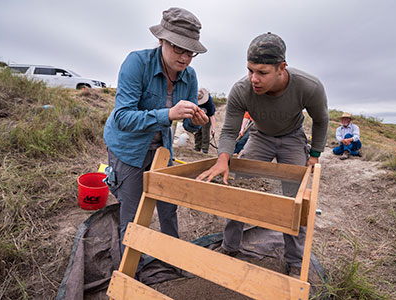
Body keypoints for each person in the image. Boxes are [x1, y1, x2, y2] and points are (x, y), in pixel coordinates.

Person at [197, 32, 329, 276]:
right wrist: (223, 159)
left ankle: (295, 260)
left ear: (281, 68)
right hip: (260, 137)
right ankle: (230, 246)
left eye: (262, 72)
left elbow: (321, 120)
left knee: (294, 202)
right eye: (250, 70)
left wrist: (315, 154)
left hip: (292, 138)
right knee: (240, 192)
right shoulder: (241, 90)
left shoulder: (308, 86)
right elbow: (228, 129)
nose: (254, 79)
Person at [103, 7, 209, 259]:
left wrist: (197, 122)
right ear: (162, 40)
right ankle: (128, 271)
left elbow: (187, 124)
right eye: (178, 48)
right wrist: (167, 114)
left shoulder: (190, 76)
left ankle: (172, 258)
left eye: (190, 52)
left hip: (162, 151)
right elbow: (123, 118)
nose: (184, 58)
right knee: (133, 214)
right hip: (128, 150)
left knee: (168, 204)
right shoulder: (136, 63)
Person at [194, 88, 216, 153]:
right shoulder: (194, 99)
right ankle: (197, 148)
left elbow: (212, 115)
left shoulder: (209, 102)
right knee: (197, 132)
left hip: (207, 117)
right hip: (198, 116)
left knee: (205, 132)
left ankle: (205, 149)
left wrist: (213, 128)